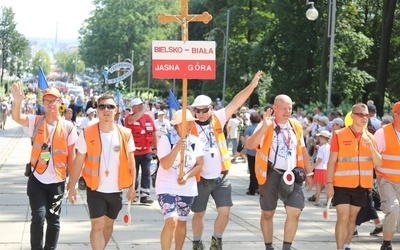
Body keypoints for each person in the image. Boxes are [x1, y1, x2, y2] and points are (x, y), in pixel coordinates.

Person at [190, 70, 263, 250]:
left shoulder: (218, 118)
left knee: (225, 211)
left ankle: (217, 240)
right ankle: (197, 242)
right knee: (199, 214)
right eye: (197, 111)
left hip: (220, 176)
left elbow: (236, 102)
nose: (201, 114)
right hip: (199, 178)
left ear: (211, 109)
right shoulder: (188, 124)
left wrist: (252, 86)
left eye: (204, 110)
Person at [10, 83, 78, 250]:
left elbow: (72, 158)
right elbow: (17, 118)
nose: (49, 104)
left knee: (53, 219)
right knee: (38, 217)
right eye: (46, 100)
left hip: (57, 182)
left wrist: (72, 184)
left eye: (53, 100)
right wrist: (17, 102)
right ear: (42, 102)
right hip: (37, 180)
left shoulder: (68, 127)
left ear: (59, 102)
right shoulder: (36, 121)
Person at [68, 94, 136, 250]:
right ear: (97, 110)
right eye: (102, 107)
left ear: (116, 110)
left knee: (108, 224)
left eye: (110, 107)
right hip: (95, 188)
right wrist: (72, 186)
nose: (106, 110)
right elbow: (78, 160)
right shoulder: (87, 132)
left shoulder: (125, 134)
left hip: (116, 189)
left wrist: (133, 187)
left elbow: (132, 163)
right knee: (97, 225)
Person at [246, 94, 313, 250]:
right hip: (271, 174)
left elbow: (303, 151)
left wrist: (309, 174)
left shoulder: (295, 125)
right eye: (284, 108)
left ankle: (286, 247)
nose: (288, 111)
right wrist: (264, 127)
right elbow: (250, 145)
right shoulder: (266, 124)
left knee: (295, 211)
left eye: (290, 108)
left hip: (292, 174)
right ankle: (269, 246)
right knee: (268, 213)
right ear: (274, 108)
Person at [326, 103, 382, 250]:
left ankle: (346, 245)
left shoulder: (370, 137)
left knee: (352, 219)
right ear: (352, 116)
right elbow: (331, 162)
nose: (364, 118)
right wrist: (329, 183)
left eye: (366, 115)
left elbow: (378, 162)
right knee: (343, 217)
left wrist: (371, 147)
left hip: (361, 186)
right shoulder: (339, 135)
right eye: (360, 115)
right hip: (341, 185)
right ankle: (339, 248)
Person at [156, 109, 204, 250]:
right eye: (188, 123)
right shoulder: (166, 139)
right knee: (172, 221)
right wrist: (177, 147)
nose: (191, 125)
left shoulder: (195, 141)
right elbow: (165, 164)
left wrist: (187, 175)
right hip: (166, 186)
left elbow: (200, 165)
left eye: (191, 123)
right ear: (179, 124)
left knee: (182, 222)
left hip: (187, 188)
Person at [373, 101, 400, 250]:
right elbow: (372, 156)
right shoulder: (382, 133)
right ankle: (386, 244)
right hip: (387, 179)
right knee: (394, 209)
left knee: (398, 215)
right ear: (394, 115)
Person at [125, 98, 158, 204]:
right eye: (138, 106)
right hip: (133, 152)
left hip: (146, 151)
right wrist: (144, 110)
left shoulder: (148, 118)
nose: (140, 107)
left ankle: (145, 195)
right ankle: (133, 194)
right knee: (133, 174)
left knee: (146, 173)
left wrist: (155, 148)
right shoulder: (128, 118)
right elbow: (131, 121)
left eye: (141, 105)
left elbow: (153, 133)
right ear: (133, 108)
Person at [243, 112, 262, 195]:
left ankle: (252, 189)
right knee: (261, 171)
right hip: (261, 153)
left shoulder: (249, 129)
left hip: (251, 153)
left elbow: (247, 141)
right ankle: (259, 187)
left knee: (252, 171)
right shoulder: (262, 128)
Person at [311, 130, 331, 206]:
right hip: (327, 168)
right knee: (326, 185)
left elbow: (319, 160)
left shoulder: (322, 148)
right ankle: (328, 201)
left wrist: (312, 167)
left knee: (319, 185)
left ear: (322, 138)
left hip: (320, 168)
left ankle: (317, 201)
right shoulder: (330, 147)